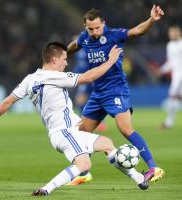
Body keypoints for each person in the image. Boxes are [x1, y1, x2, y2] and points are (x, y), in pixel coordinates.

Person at [0, 42, 149, 196]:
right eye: (64, 59)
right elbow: (89, 77)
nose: (66, 63)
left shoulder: (30, 79)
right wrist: (111, 61)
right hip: (65, 132)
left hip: (65, 132)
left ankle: (139, 179)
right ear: (54, 59)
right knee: (84, 165)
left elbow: (8, 101)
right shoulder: (55, 77)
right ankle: (46, 189)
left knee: (107, 144)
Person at [67, 5, 165, 184]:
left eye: (98, 27)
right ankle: (84, 173)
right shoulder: (84, 38)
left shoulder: (114, 35)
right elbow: (75, 45)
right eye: (91, 29)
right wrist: (63, 54)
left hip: (116, 90)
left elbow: (136, 31)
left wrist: (151, 20)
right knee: (81, 133)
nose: (95, 32)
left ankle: (154, 168)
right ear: (85, 27)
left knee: (125, 129)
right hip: (97, 93)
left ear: (103, 24)